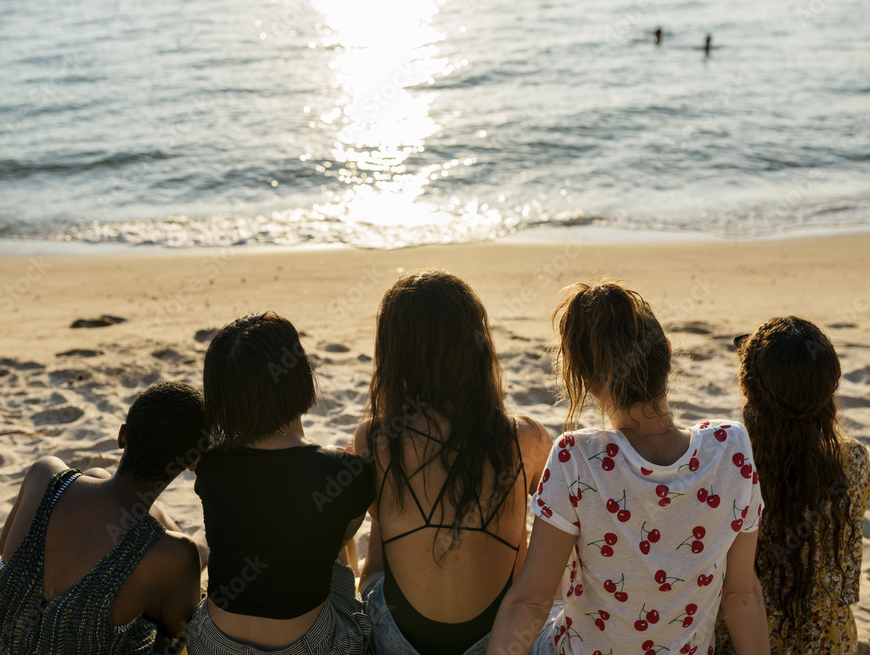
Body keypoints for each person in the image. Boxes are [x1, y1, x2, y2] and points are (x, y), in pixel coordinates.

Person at [486, 281, 770, 655]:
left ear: (592, 387)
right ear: (667, 353)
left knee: (544, 593)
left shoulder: (575, 457)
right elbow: (742, 594)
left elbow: (529, 604)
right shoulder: (732, 447)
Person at [354, 270, 551, 655]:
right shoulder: (525, 438)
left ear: (393, 354)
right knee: (522, 518)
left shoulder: (374, 437)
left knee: (383, 526)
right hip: (499, 633)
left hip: (399, 637)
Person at [0, 381, 206, 654]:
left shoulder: (44, 475)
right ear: (190, 464)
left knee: (98, 477)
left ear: (122, 436)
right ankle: (200, 546)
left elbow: (4, 547)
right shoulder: (177, 555)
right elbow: (179, 629)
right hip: (157, 552)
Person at [188, 312, 374, 654]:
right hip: (309, 645)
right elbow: (342, 538)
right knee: (333, 559)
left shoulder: (210, 465)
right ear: (299, 377)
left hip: (213, 641)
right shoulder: (343, 473)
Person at [716, 318, 870, 653]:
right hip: (830, 641)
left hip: (742, 638)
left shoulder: (730, 466)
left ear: (746, 390)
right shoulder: (855, 462)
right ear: (829, 391)